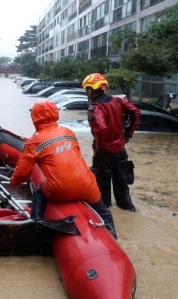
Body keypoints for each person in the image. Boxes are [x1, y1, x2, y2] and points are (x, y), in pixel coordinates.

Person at [10, 101, 117, 238]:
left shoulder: (34, 141)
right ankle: (113, 237)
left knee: (38, 192)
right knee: (103, 212)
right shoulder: (69, 132)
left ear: (35, 117)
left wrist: (13, 183)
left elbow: (23, 173)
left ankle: (35, 225)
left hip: (60, 189)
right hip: (88, 185)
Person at [83, 73, 141, 212]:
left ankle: (104, 216)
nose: (86, 92)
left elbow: (101, 128)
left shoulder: (95, 107)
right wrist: (128, 134)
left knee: (102, 190)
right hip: (120, 150)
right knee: (122, 185)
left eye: (86, 89)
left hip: (103, 152)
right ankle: (128, 210)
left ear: (91, 89)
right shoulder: (118, 101)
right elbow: (136, 113)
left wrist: (100, 147)